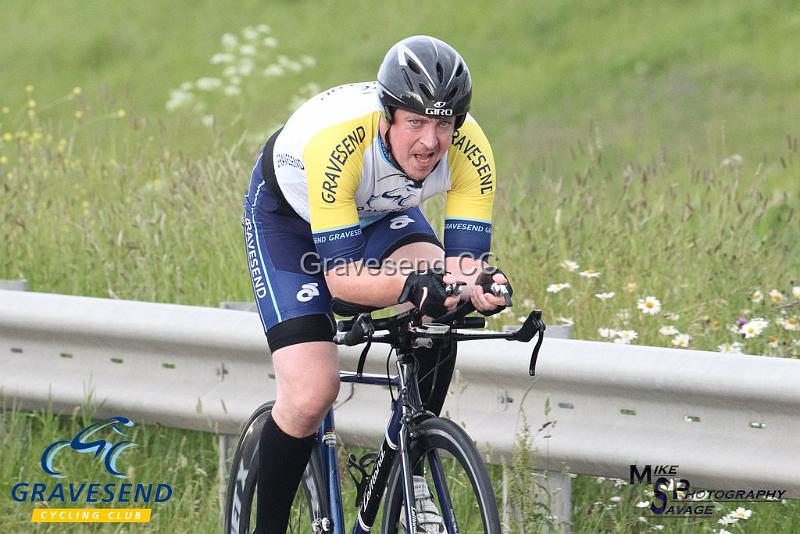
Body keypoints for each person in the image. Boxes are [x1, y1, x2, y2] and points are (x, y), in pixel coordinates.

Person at [243, 34, 510, 534]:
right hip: (288, 221)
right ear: (386, 116)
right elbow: (343, 283)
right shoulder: (339, 142)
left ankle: (413, 467)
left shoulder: (472, 149)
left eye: (444, 124)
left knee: (443, 300)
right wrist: (412, 287)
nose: (430, 142)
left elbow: (463, 267)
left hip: (379, 212)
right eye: (415, 122)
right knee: (310, 393)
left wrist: (481, 286)